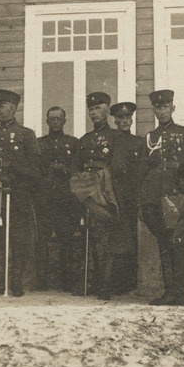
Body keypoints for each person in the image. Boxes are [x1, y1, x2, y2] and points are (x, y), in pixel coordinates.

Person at [0, 89, 41, 297]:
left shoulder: (26, 135)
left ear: (12, 108)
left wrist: (14, 168)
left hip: (18, 195)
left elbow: (36, 167)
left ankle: (16, 283)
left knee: (19, 239)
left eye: (0, 106)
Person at [139, 90, 184, 306]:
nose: (162, 111)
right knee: (164, 242)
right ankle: (169, 291)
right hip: (155, 196)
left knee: (179, 242)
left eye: (166, 107)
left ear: (172, 108)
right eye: (158, 107)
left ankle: (181, 292)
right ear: (153, 110)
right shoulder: (149, 137)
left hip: (178, 195)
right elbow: (145, 170)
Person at [71, 92, 121, 300]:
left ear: (108, 111)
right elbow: (76, 167)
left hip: (105, 193)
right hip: (86, 192)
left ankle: (105, 285)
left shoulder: (116, 137)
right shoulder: (84, 140)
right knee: (88, 238)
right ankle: (91, 282)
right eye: (91, 109)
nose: (94, 113)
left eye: (98, 108)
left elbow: (118, 167)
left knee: (105, 240)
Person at [34, 106, 82, 291]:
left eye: (58, 119)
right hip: (45, 199)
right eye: (51, 119)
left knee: (67, 240)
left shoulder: (73, 143)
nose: (55, 122)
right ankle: (41, 282)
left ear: (64, 121)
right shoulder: (39, 144)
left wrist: (64, 169)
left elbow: (78, 170)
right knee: (41, 240)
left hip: (66, 200)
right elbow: (35, 169)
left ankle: (67, 281)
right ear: (46, 122)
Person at [109, 101, 145, 294]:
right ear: (114, 120)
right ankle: (113, 281)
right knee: (116, 235)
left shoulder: (139, 142)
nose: (124, 121)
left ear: (132, 120)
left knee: (131, 235)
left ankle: (129, 281)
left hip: (132, 194)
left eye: (127, 118)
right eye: (120, 118)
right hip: (114, 192)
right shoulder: (111, 140)